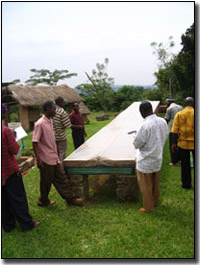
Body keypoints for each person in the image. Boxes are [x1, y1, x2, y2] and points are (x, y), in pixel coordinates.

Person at [32, 101, 84, 207]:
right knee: (46, 182)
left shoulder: (50, 121)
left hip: (54, 157)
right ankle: (43, 201)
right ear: (47, 109)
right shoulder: (40, 123)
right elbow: (35, 142)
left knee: (61, 178)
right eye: (53, 109)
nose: (55, 111)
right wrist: (38, 159)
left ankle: (71, 199)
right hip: (45, 158)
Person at [2, 104, 40, 232]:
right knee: (18, 199)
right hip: (9, 171)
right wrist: (13, 137)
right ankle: (26, 223)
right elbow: (15, 150)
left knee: (3, 201)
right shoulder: (5, 131)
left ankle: (8, 225)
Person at [133, 101, 168, 213]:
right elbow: (164, 136)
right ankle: (155, 202)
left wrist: (135, 136)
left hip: (145, 160)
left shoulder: (144, 125)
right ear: (151, 109)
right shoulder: (162, 121)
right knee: (155, 184)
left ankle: (148, 207)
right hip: (157, 157)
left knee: (146, 186)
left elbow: (137, 144)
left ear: (142, 112)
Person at [171, 97, 194, 189]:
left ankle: (186, 184)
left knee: (185, 165)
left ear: (184, 104)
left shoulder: (179, 114)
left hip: (183, 143)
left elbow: (175, 131)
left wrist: (173, 143)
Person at [164, 98, 183, 166]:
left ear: (169, 103)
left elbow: (166, 120)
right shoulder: (181, 107)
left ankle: (174, 162)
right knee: (180, 145)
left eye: (166, 103)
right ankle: (180, 159)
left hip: (173, 130)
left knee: (172, 146)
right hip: (181, 130)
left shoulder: (169, 109)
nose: (166, 105)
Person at [53, 97, 71, 164]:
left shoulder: (52, 110)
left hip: (52, 137)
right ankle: (62, 171)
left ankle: (56, 171)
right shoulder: (62, 111)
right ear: (60, 102)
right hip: (61, 137)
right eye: (63, 102)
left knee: (55, 155)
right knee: (62, 155)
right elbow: (68, 125)